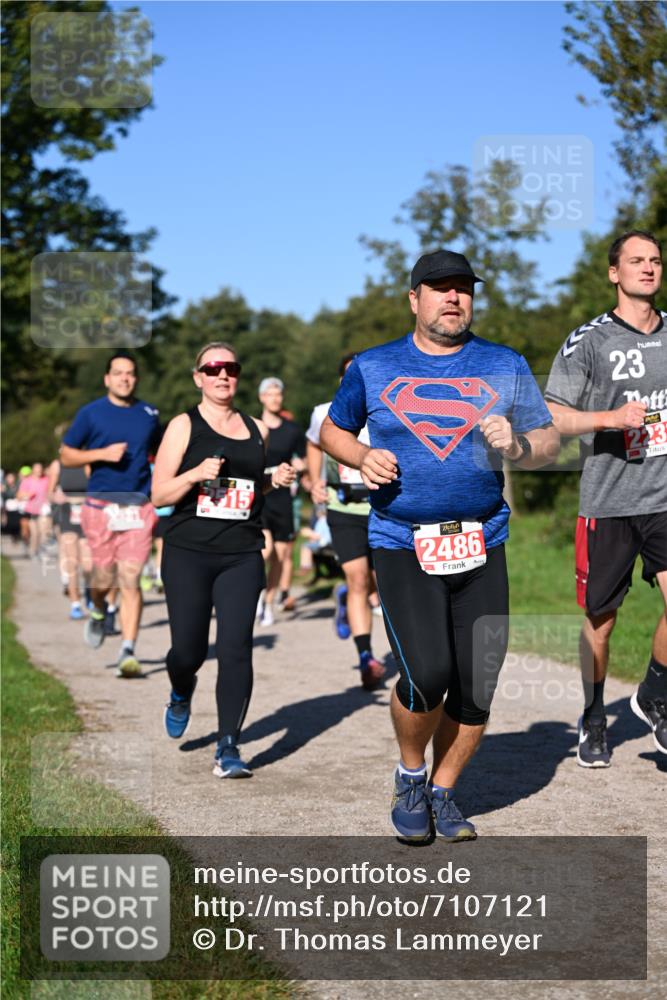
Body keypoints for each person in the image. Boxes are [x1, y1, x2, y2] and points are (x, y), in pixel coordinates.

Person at [320, 249, 559, 842]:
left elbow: (549, 440)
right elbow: (332, 430)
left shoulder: (504, 364)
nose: (453, 298)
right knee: (427, 673)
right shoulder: (374, 366)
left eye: (463, 288)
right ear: (414, 299)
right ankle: (410, 775)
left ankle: (444, 791)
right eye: (440, 288)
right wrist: (361, 455)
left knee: (477, 683)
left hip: (482, 540)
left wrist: (519, 446)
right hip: (403, 542)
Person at [545, 230, 666, 763]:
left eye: (655, 260)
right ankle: (594, 715)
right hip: (608, 502)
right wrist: (609, 418)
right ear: (614, 273)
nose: (648, 268)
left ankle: (654, 693)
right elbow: (553, 415)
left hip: (664, 496)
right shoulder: (589, 341)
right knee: (602, 621)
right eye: (636, 260)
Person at [151, 342, 295, 779]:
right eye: (212, 368)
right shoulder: (183, 426)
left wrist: (273, 479)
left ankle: (228, 745)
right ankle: (181, 689)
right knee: (188, 652)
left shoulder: (257, 429)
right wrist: (195, 474)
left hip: (241, 553)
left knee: (236, 649)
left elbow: (249, 487)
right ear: (198, 377)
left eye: (230, 368)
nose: (222, 375)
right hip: (188, 552)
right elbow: (158, 494)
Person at [60, 351, 161, 677]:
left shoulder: (149, 414)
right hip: (100, 507)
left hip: (138, 507)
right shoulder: (91, 413)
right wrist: (101, 453)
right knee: (103, 578)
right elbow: (66, 455)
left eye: (130, 373)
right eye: (118, 373)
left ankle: (128, 650)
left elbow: (161, 453)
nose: (124, 378)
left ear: (136, 378)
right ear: (107, 379)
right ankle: (99, 608)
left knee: (130, 579)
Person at [307, 353, 386, 690]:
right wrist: (314, 481)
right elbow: (314, 444)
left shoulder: (386, 410)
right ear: (341, 380)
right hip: (345, 508)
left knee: (382, 583)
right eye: (349, 374)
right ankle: (366, 656)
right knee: (357, 579)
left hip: (385, 508)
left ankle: (348, 603)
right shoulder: (324, 413)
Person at [256, 377, 306, 625]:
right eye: (270, 394)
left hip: (283, 496)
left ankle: (267, 603)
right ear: (261, 398)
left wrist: (300, 466)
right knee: (265, 551)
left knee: (281, 554)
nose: (275, 398)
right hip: (261, 493)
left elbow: (304, 459)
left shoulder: (292, 430)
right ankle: (254, 593)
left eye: (278, 394)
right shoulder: (253, 427)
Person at [46, 456, 93, 620]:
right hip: (67, 515)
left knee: (88, 564)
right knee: (72, 561)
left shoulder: (88, 462)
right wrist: (55, 497)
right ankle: (75, 604)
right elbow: (49, 493)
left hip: (86, 515)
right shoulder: (58, 464)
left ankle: (89, 591)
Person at [16, 462, 50, 557]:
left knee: (43, 531)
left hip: (43, 510)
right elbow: (19, 496)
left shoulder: (46, 480)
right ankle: (33, 551)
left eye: (40, 470)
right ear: (33, 470)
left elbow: (51, 491)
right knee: (34, 533)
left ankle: (41, 550)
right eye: (37, 470)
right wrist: (28, 494)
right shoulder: (27, 481)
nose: (39, 472)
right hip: (30, 511)